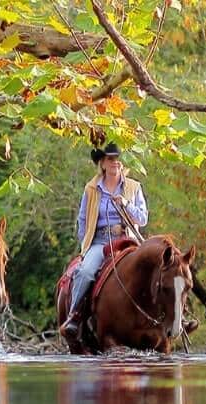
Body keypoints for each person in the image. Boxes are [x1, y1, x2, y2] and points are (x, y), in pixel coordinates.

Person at [61, 142, 148, 344]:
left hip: (128, 241)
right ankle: (74, 316)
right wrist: (85, 245)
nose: (115, 162)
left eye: (117, 159)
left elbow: (143, 219)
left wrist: (126, 204)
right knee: (85, 272)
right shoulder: (91, 189)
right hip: (100, 241)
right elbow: (83, 220)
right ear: (102, 163)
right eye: (110, 159)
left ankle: (170, 320)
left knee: (158, 268)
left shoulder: (134, 187)